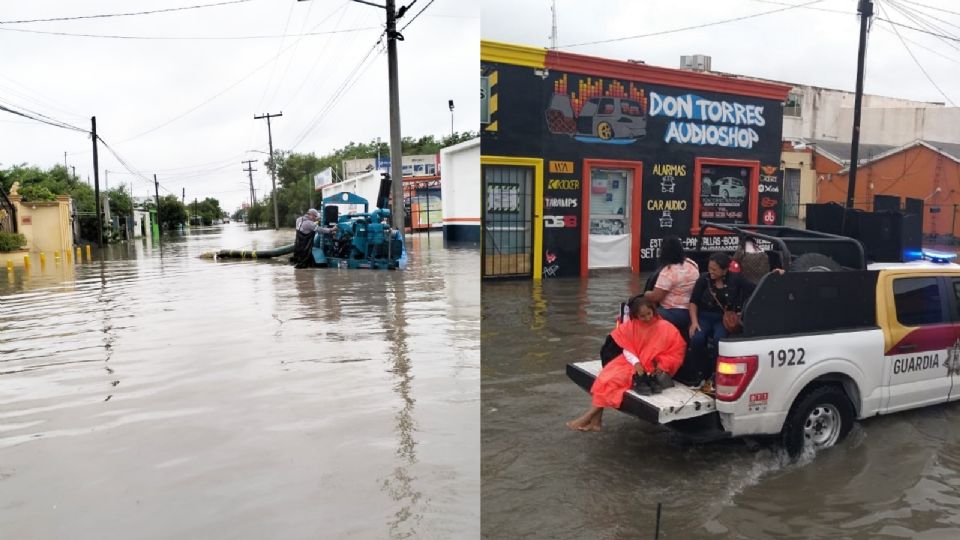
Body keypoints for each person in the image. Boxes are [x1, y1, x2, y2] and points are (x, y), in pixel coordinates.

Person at [566, 296, 687, 432]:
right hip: (632, 362)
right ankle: (595, 421)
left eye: (649, 314)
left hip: (650, 367)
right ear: (635, 316)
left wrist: (661, 365)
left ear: (654, 311)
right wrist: (635, 363)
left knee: (613, 382)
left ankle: (590, 417)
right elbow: (627, 347)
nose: (647, 318)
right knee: (604, 377)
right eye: (642, 316)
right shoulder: (631, 326)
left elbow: (676, 352)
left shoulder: (666, 328)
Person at [687, 252, 757, 383]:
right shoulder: (704, 279)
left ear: (724, 270)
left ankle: (715, 373)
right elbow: (693, 302)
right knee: (697, 338)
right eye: (709, 268)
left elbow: (755, 289)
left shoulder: (736, 279)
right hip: (704, 317)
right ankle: (699, 373)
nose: (711, 272)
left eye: (714, 269)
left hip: (722, 319)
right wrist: (694, 322)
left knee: (720, 340)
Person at [644, 235, 699, 335]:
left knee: (643, 314)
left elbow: (656, 297)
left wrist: (646, 294)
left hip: (673, 312)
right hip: (692, 312)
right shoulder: (692, 264)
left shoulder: (668, 272)